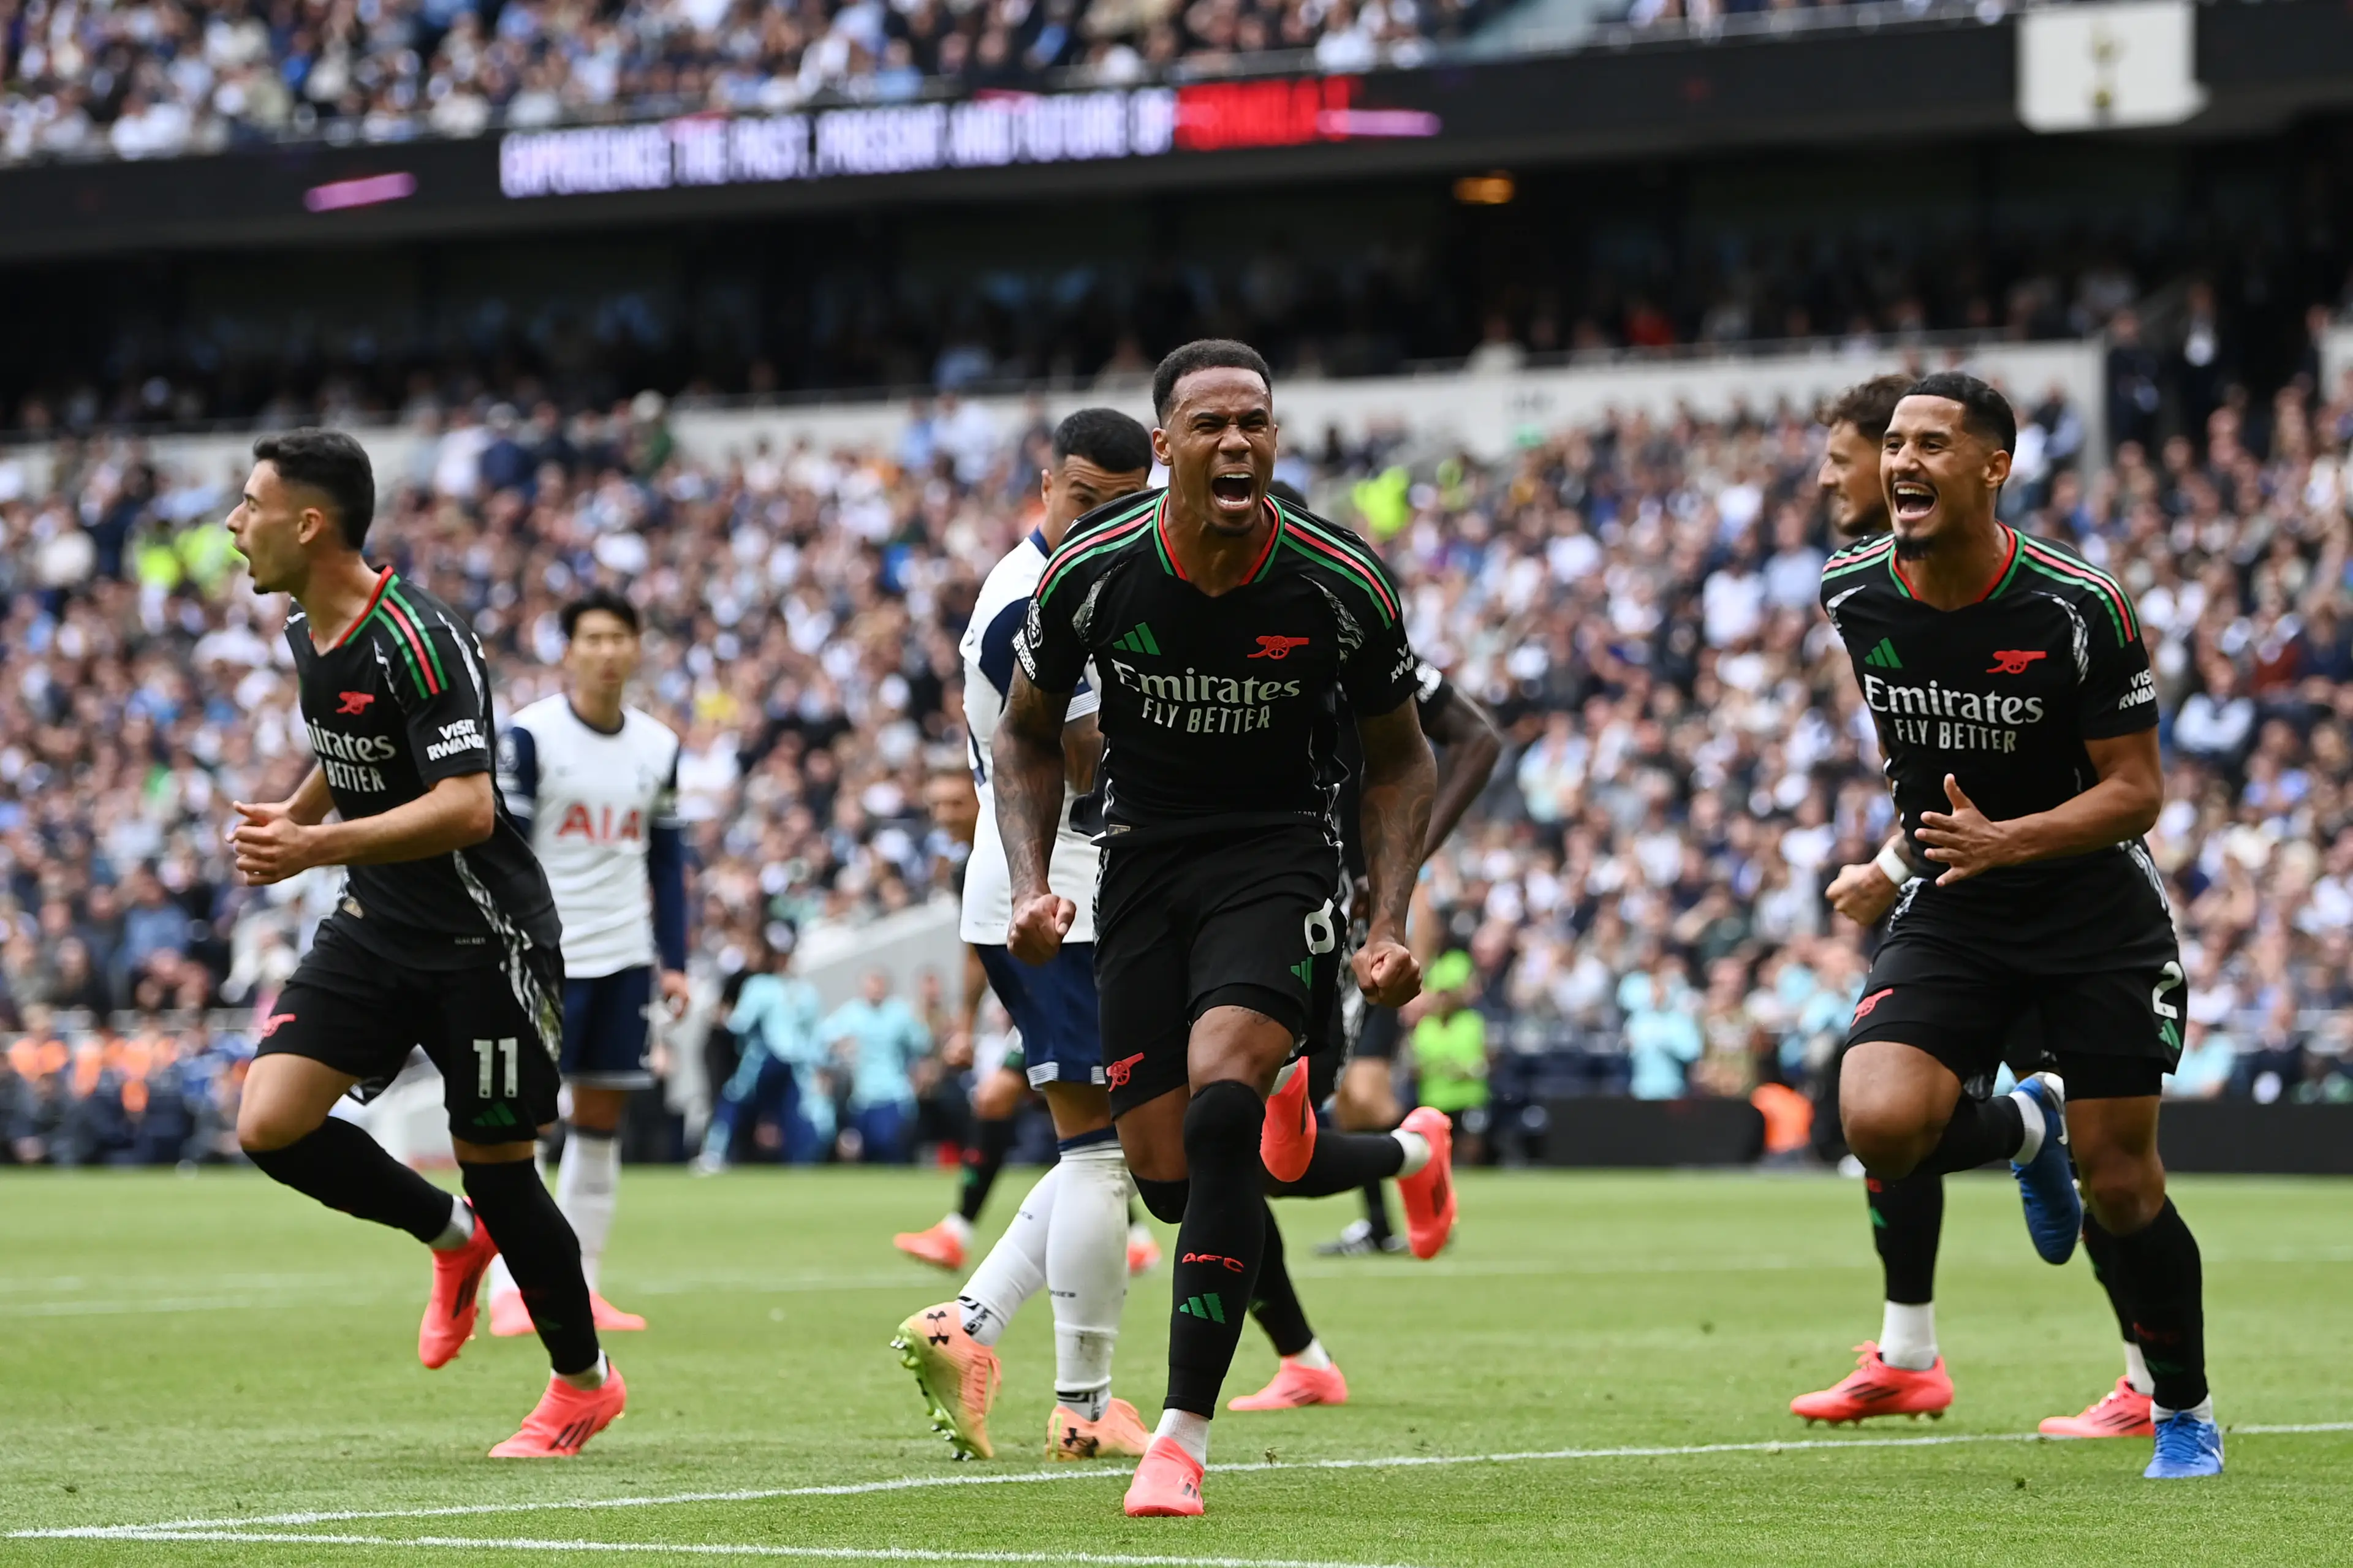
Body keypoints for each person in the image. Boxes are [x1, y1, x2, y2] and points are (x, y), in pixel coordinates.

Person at [996, 341, 1436, 1516]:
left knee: (1224, 1095)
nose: (1236, 441)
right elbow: (1027, 731)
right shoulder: (1092, 569)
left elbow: (1403, 757)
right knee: (1169, 1176)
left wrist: (1387, 916)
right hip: (1139, 866)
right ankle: (1344, 1126)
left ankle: (1180, 1434)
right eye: (1210, 425)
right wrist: (1033, 880)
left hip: (1276, 854)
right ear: (1165, 448)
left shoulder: (1342, 579)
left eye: (1255, 422)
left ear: (1275, 442)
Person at [1816, 374, 2219, 1479]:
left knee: (2124, 1179)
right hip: (1958, 903)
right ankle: (2026, 1129)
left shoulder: (2078, 604)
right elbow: (1932, 772)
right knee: (1880, 1120)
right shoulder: (1852, 590)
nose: (1903, 461)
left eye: (1933, 444)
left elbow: (2138, 792)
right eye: (1894, 442)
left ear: (1994, 468)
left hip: (2095, 911)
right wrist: (1905, 858)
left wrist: (2012, 839)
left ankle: (2182, 1408)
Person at [220, 428, 623, 1458]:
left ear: (307, 523)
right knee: (270, 1121)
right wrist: (296, 810)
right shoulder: (309, 628)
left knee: (501, 1164)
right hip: (377, 922)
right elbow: (343, 739)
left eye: (250, 503)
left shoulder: (420, 638)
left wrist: (312, 842)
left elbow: (469, 807)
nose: (233, 523)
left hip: (485, 939)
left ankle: (583, 1382)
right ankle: (451, 1238)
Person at [893, 408, 1161, 1466]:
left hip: (1079, 888)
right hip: (1058, 892)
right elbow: (1091, 753)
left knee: (1117, 1141)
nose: (1103, 519)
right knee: (1104, 1149)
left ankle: (970, 1324)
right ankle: (1085, 1401)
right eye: (1084, 498)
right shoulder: (1033, 598)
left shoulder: (1079, 579)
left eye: (1126, 502)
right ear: (1047, 486)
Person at [483, 586, 686, 1338]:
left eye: (618, 638)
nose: (606, 652)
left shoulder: (659, 746)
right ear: (567, 650)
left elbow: (667, 860)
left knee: (602, 1119)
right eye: (591, 639)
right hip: (540, 957)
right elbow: (506, 851)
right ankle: (512, 1287)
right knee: (521, 1124)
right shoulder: (530, 738)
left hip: (626, 957)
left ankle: (585, 1284)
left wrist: (677, 961)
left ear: (636, 649)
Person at [824, 969, 930, 1162]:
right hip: (862, 1098)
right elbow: (825, 1039)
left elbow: (922, 1044)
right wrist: (841, 1046)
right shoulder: (852, 1013)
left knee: (888, 1146)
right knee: (864, 1152)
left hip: (893, 1094)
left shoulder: (900, 1013)